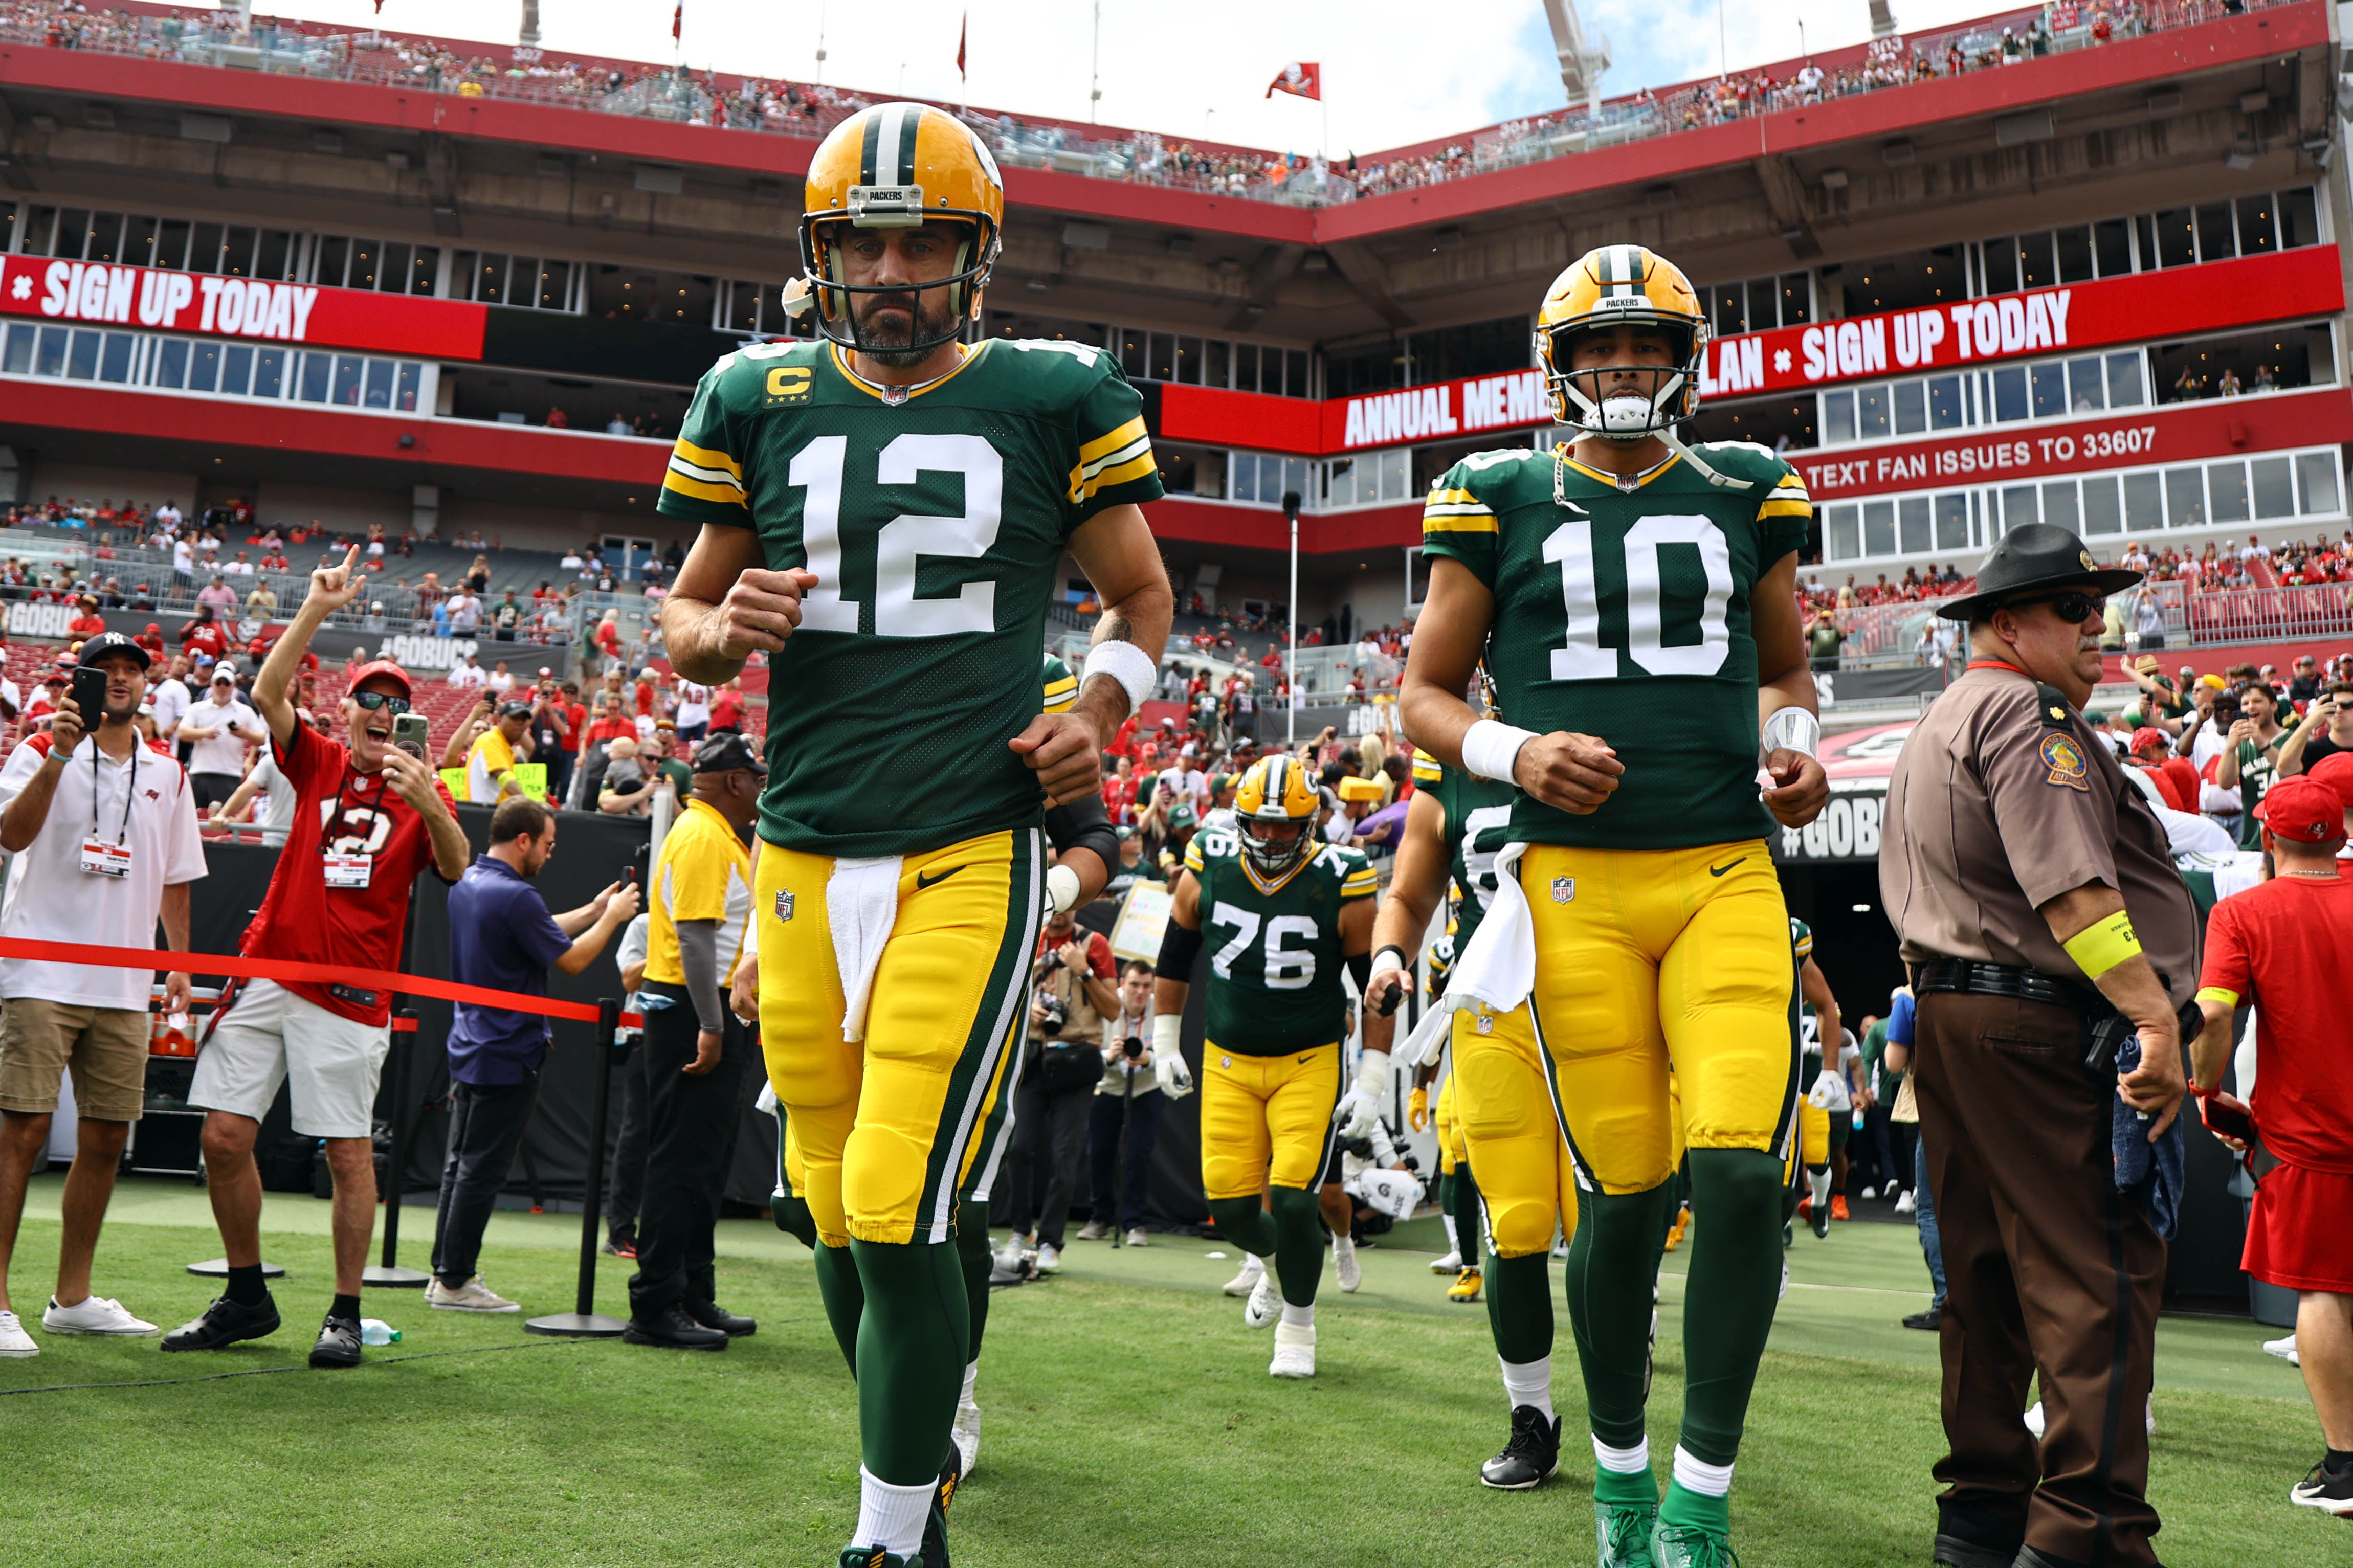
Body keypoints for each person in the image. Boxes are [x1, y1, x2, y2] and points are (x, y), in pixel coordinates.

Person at [657, 101, 1172, 1568]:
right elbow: (686, 612)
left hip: (968, 840)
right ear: (820, 254)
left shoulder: (1053, 390)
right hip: (808, 851)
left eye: (922, 240)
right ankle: (924, 1448)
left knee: (893, 1199)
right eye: (863, 243)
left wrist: (1105, 706)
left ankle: (893, 1540)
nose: (891, 271)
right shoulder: (753, 392)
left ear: (974, 253)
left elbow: (1141, 604)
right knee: (833, 1211)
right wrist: (714, 633)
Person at [1396, 242, 1829, 1566]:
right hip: (1570, 884)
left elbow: (1785, 666)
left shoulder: (1749, 486)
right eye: (1598, 349)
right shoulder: (1497, 491)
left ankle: (1701, 1495)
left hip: (1720, 865)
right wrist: (1514, 752)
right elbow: (1421, 696)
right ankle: (1621, 1475)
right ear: (1560, 362)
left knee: (1746, 1170)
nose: (1622, 366)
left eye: (1644, 346)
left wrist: (1798, 742)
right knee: (1625, 1198)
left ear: (1684, 358)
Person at [1879, 523, 2197, 1568]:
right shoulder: (2027, 712)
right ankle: (2085, 1536)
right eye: (2071, 609)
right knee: (2088, 1276)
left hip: (1954, 1019)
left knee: (1978, 1283)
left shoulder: (1941, 718)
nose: (2094, 627)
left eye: (2095, 607)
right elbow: (2072, 892)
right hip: (2031, 1021)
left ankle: (1980, 1517)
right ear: (2002, 624)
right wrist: (2153, 1015)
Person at [167, 548, 469, 1369]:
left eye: (396, 704)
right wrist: (316, 609)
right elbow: (267, 694)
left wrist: (427, 801)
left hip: (348, 991)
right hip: (271, 968)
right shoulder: (322, 759)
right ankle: (245, 1293)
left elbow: (455, 866)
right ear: (349, 710)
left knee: (345, 1152)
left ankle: (344, 1308)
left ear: (410, 722)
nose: (380, 711)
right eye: (369, 699)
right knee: (224, 1136)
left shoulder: (421, 790)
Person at [1366, 743, 1574, 1488]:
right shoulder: (1448, 766)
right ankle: (1532, 1417)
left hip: (1593, 992)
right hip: (1493, 1011)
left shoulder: (1589, 713)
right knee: (1515, 1222)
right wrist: (1390, 954)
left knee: (1604, 1224)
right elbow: (1411, 893)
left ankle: (1623, 1398)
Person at [1150, 754, 1387, 1379]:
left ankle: (1299, 1327)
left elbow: (1375, 988)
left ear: (1312, 824)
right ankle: (1282, 1267)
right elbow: (1174, 954)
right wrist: (1165, 1037)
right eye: (1262, 825)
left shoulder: (1344, 875)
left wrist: (1372, 1078)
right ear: (1241, 819)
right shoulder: (1210, 859)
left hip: (1307, 1059)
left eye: (1288, 828)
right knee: (1230, 1212)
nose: (1274, 837)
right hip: (1227, 1059)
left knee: (1292, 1198)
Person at [0, 634, 202, 1355]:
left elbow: (176, 874)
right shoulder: (37, 749)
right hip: (40, 971)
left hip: (124, 979)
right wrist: (56, 752)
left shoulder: (168, 772)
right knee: (19, 1132)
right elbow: (11, 836)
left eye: (131, 671)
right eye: (104, 671)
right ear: (81, 680)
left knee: (109, 1135)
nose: (119, 681)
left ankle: (73, 1296)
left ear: (147, 684)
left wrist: (177, 961)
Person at [2188, 774, 2353, 1516]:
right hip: (2316, 1130)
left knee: (2322, 1290)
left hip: (2313, 1133)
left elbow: (2215, 1014)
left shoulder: (2244, 909)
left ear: (2271, 839)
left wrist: (2204, 1088)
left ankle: (2347, 1467)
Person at [427, 797, 638, 1313]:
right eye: (546, 844)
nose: (549, 853)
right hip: (507, 1051)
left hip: (472, 1044)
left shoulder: (472, 884)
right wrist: (610, 920)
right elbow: (572, 961)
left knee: (461, 1168)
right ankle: (455, 1281)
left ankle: (446, 1274)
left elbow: (536, 932)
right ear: (523, 840)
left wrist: (591, 911)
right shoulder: (515, 896)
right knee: (479, 1172)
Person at [625, 732, 763, 1351]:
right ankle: (656, 1304)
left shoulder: (709, 831)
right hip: (693, 1008)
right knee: (681, 1163)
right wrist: (711, 1024)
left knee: (703, 1164)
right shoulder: (704, 835)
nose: (761, 788)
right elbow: (695, 939)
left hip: (704, 1006)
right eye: (755, 778)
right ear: (734, 782)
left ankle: (690, 1293)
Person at [993, 906, 1118, 1272]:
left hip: (1077, 1061)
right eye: (1054, 906)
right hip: (1032, 1061)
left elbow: (1112, 1010)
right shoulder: (1029, 941)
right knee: (1018, 1150)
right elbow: (999, 1000)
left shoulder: (1095, 944)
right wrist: (1025, 1008)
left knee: (1065, 1156)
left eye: (1067, 906)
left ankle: (1050, 1242)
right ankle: (1020, 1231)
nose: (1059, 914)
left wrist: (1085, 971)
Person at [1079, 960, 1162, 1248]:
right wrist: (1109, 1056)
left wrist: (1148, 1058)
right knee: (1099, 1154)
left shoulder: (1160, 1009)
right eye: (1135, 985)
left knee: (1138, 1156)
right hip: (1109, 1088)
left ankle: (1134, 1223)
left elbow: (1170, 1055)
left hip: (1146, 1089)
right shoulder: (1107, 1004)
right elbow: (1089, 1051)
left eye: (1147, 986)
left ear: (1153, 988)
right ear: (1123, 984)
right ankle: (1100, 1219)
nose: (1140, 992)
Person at [2215, 681, 2289, 849]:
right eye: (2246, 703)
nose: (2251, 707)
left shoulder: (2291, 739)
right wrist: (2230, 747)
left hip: (2289, 835)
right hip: (2254, 837)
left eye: (2257, 701)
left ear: (2274, 706)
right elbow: (2225, 783)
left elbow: (2290, 771)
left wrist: (2263, 743)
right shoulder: (2242, 745)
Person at [179, 666, 263, 811]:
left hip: (229, 774)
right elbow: (182, 732)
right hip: (200, 771)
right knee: (194, 819)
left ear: (233, 687)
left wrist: (245, 734)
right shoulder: (198, 708)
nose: (222, 687)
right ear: (212, 685)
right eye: (218, 683)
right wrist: (204, 733)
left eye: (227, 684)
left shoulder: (244, 710)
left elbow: (261, 738)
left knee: (223, 820)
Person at [464, 700, 531, 805]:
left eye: (523, 720)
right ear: (499, 720)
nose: (520, 722)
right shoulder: (490, 740)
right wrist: (528, 805)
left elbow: (532, 748)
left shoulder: (504, 744)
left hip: (490, 812)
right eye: (514, 718)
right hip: (480, 814)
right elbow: (503, 776)